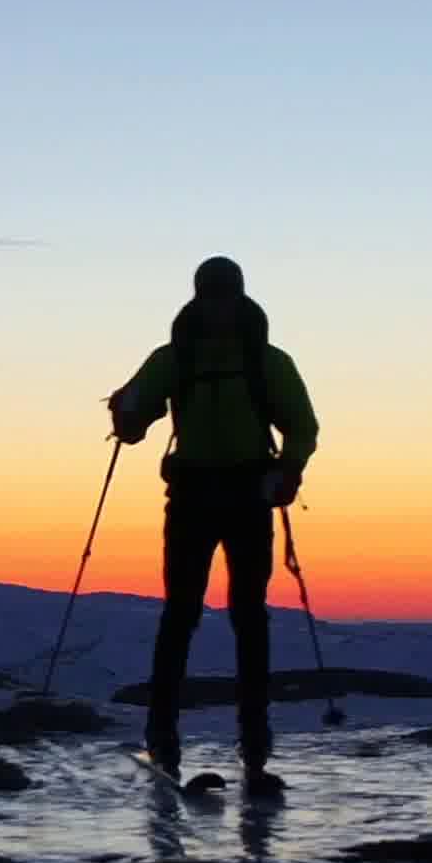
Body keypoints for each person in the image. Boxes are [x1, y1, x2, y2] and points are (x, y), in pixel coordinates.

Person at [107, 255, 318, 792]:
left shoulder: (180, 358)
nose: (220, 306)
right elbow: (300, 426)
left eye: (221, 297)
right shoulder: (263, 359)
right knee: (230, 615)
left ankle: (192, 731)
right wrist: (287, 469)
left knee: (198, 613)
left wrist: (128, 414)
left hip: (205, 494)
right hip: (238, 493)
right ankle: (241, 738)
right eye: (216, 297)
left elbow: (134, 423)